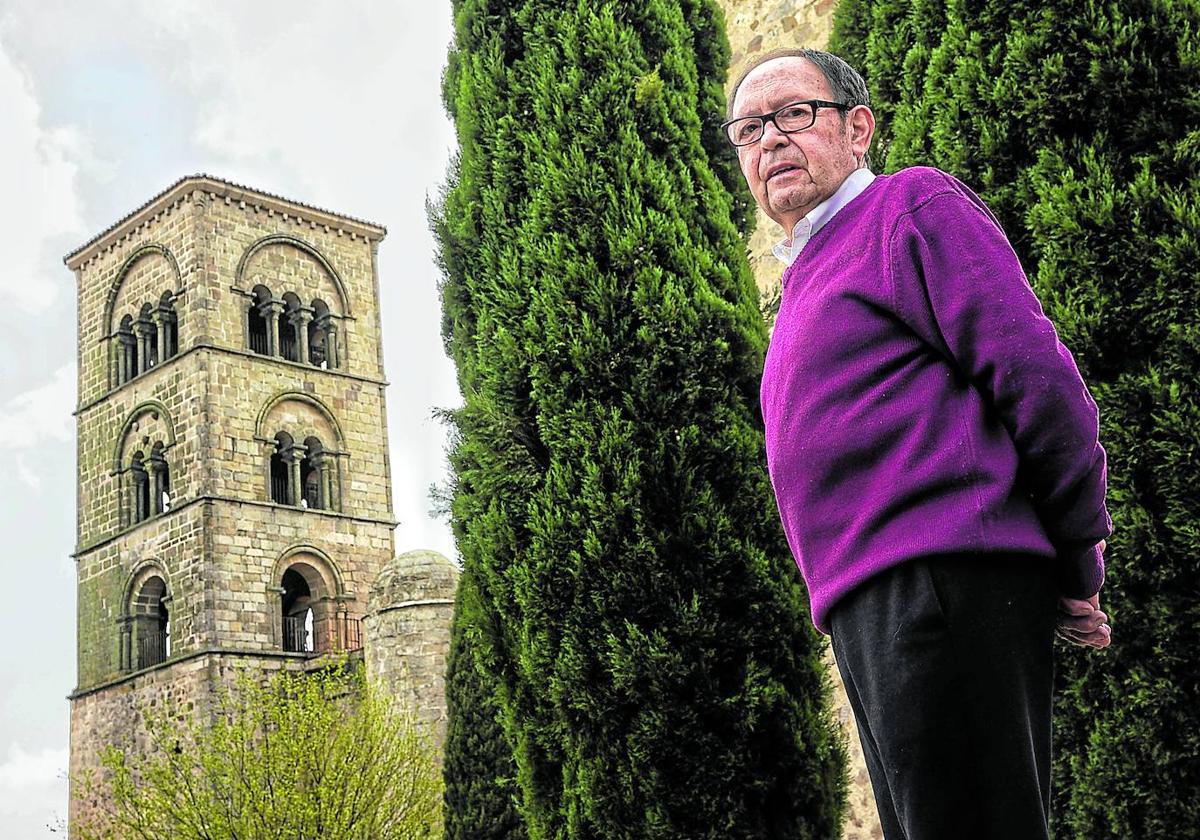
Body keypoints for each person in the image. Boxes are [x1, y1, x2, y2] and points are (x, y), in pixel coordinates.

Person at [723, 48, 1113, 840]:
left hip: (945, 581)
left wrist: (1078, 558)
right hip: (871, 607)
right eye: (749, 129)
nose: (770, 140)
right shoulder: (805, 278)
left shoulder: (906, 209)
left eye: (795, 113)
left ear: (857, 128)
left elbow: (1039, 379)